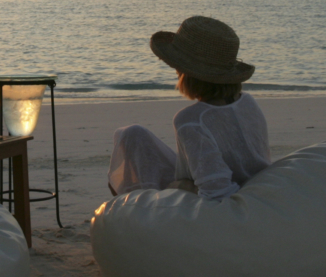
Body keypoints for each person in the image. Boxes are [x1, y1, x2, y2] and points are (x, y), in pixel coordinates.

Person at [108, 15, 270, 201]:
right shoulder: (247, 102)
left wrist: (176, 187)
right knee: (132, 134)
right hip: (252, 188)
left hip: (217, 204)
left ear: (188, 73)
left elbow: (217, 192)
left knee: (130, 145)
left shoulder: (191, 120)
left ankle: (132, 210)